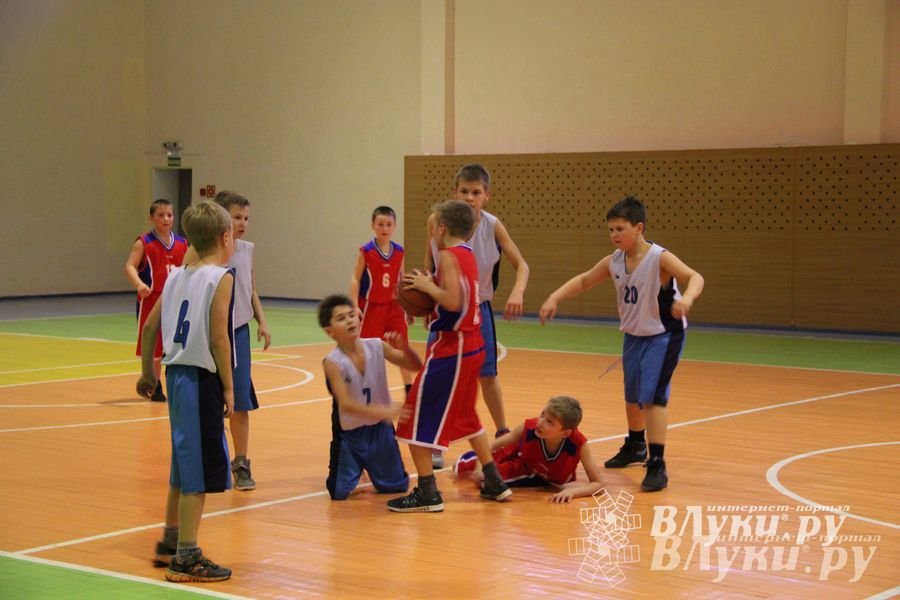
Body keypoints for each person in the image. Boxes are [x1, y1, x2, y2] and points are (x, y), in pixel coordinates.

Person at [539, 196, 704, 491]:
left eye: (620, 229)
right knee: (632, 396)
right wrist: (555, 297)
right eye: (611, 230)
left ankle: (657, 463)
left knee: (652, 397)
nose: (614, 235)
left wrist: (688, 298)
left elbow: (694, 276)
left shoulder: (659, 258)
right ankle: (636, 445)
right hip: (634, 335)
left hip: (663, 335)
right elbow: (584, 281)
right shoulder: (614, 261)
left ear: (638, 228)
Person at [388, 200, 512, 512]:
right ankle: (494, 481)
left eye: (432, 225)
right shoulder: (467, 253)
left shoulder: (446, 255)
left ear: (441, 228)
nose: (430, 230)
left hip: (452, 348)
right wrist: (431, 302)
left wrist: (427, 287)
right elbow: (459, 299)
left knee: (414, 416)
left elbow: (454, 301)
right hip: (471, 345)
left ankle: (427, 492)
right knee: (467, 416)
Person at [137, 200, 235, 582]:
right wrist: (229, 387)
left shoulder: (176, 275)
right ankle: (186, 557)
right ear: (225, 238)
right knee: (197, 473)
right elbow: (219, 338)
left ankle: (171, 538)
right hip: (199, 379)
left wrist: (148, 375)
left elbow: (149, 328)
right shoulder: (220, 277)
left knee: (182, 465)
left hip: (175, 375)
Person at [425, 164, 529, 468]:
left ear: (487, 195)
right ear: (454, 192)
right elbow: (429, 261)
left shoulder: (493, 225)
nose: (470, 197)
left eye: (476, 192)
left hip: (478, 308)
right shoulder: (436, 222)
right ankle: (436, 441)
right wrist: (425, 299)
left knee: (488, 376)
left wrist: (517, 292)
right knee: (438, 376)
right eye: (464, 191)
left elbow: (522, 265)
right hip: (445, 309)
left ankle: (503, 434)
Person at [193, 191, 271, 491]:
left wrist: (261, 321)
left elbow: (252, 289)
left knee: (240, 401)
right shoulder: (202, 251)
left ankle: (241, 463)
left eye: (246, 218)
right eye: (237, 217)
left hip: (238, 333)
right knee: (211, 399)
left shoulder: (247, 250)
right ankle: (209, 461)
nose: (243, 223)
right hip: (210, 333)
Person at [318, 294, 422, 500]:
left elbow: (414, 365)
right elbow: (346, 404)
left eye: (351, 315)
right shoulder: (332, 362)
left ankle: (368, 468)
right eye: (341, 318)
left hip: (380, 430)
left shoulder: (377, 345)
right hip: (350, 435)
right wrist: (384, 410)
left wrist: (405, 348)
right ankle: (357, 468)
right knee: (337, 493)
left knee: (396, 487)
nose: (350, 321)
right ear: (330, 331)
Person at [454, 395, 603, 503]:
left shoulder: (579, 444)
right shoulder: (531, 427)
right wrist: (481, 467)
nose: (541, 422)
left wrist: (572, 492)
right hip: (520, 455)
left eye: (549, 422)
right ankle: (472, 459)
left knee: (487, 479)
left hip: (532, 470)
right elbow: (491, 445)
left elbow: (598, 484)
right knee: (472, 470)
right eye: (542, 415)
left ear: (565, 433)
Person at [124, 198, 188, 402]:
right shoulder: (144, 242)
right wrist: (139, 284)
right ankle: (155, 384)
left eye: (169, 215)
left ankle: (175, 382)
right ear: (151, 218)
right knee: (154, 346)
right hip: (152, 299)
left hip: (176, 300)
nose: (166, 219)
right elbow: (130, 266)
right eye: (161, 215)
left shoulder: (182, 243)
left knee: (176, 344)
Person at [349, 206, 414, 393]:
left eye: (388, 224)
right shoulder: (366, 251)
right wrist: (354, 305)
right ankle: (363, 389)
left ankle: (409, 389)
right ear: (373, 226)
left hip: (395, 308)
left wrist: (408, 306)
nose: (384, 228)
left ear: (394, 226)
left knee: (402, 349)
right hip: (372, 307)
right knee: (367, 351)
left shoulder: (399, 251)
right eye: (380, 224)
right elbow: (355, 278)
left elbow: (401, 279)